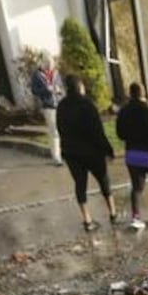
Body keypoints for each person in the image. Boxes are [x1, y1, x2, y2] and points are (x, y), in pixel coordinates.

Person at [55, 75, 115, 231]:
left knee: (80, 184)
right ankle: (113, 212)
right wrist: (108, 150)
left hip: (72, 152)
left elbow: (60, 129)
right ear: (80, 87)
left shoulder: (61, 107)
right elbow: (97, 131)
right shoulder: (87, 105)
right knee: (103, 180)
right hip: (92, 151)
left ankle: (87, 219)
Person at [115, 82, 148, 228]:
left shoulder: (123, 112)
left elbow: (120, 134)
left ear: (130, 94)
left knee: (137, 188)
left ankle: (135, 217)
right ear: (143, 93)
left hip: (132, 155)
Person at [30, 52, 63, 166]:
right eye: (47, 63)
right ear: (42, 63)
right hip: (48, 106)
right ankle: (56, 157)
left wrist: (59, 90)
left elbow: (61, 86)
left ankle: (66, 152)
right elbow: (34, 91)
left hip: (59, 104)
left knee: (63, 129)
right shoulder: (37, 75)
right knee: (54, 131)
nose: (49, 65)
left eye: (51, 62)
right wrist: (46, 90)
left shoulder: (56, 73)